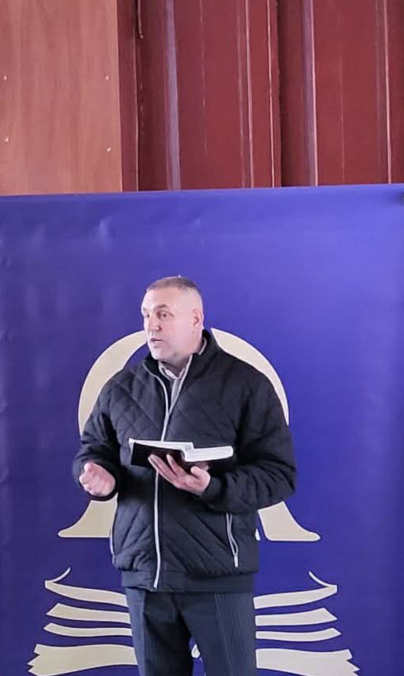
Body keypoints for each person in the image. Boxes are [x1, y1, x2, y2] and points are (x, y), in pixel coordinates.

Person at [73, 275, 297, 676]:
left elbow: (278, 474)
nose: (151, 325)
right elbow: (94, 449)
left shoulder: (246, 385)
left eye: (163, 314)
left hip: (217, 575)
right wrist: (99, 476)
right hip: (145, 575)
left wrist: (214, 488)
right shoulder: (121, 387)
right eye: (146, 315)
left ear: (196, 318)